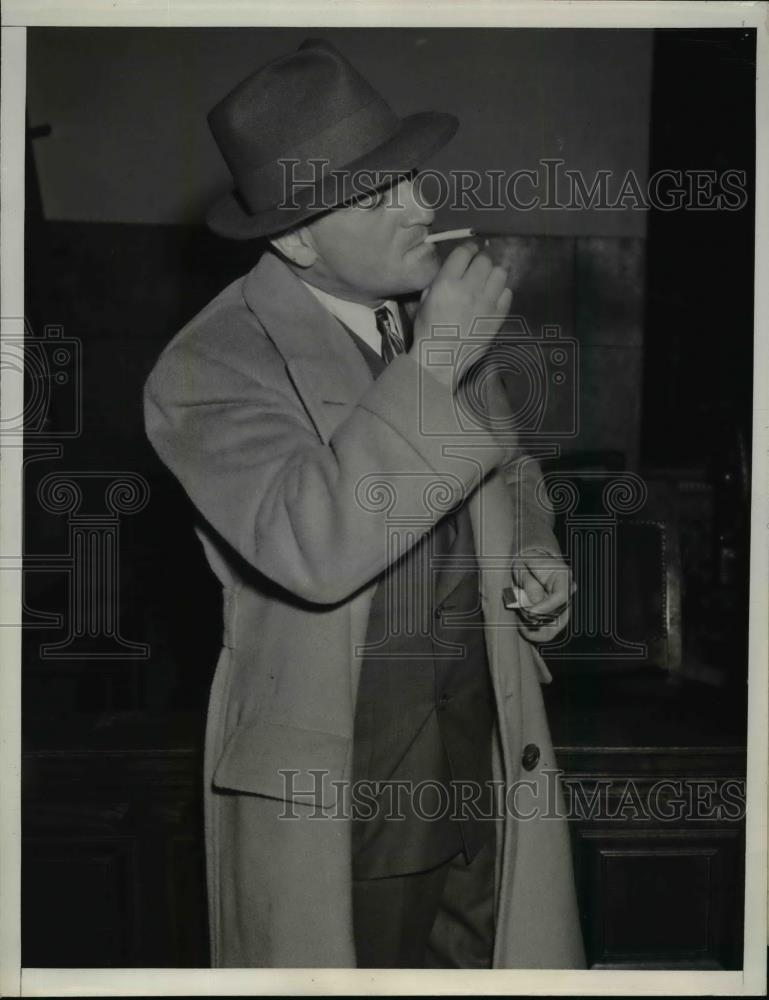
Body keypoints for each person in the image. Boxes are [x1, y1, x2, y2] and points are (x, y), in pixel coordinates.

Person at [144, 37, 585, 969]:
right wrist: (436, 360)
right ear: (298, 237)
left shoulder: (426, 327)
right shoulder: (210, 365)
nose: (423, 208)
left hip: (485, 762)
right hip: (344, 794)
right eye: (380, 196)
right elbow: (314, 544)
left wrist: (534, 557)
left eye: (416, 181)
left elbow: (507, 474)